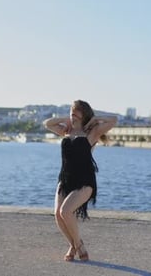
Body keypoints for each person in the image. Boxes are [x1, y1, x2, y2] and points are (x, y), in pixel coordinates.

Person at [43, 100, 117, 262]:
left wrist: (94, 120)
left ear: (85, 114)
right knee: (57, 214)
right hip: (65, 179)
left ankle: (77, 246)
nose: (74, 113)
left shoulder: (92, 133)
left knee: (65, 211)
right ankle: (75, 244)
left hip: (84, 181)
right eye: (72, 110)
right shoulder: (65, 131)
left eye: (78, 111)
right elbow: (47, 123)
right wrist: (66, 118)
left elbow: (113, 120)